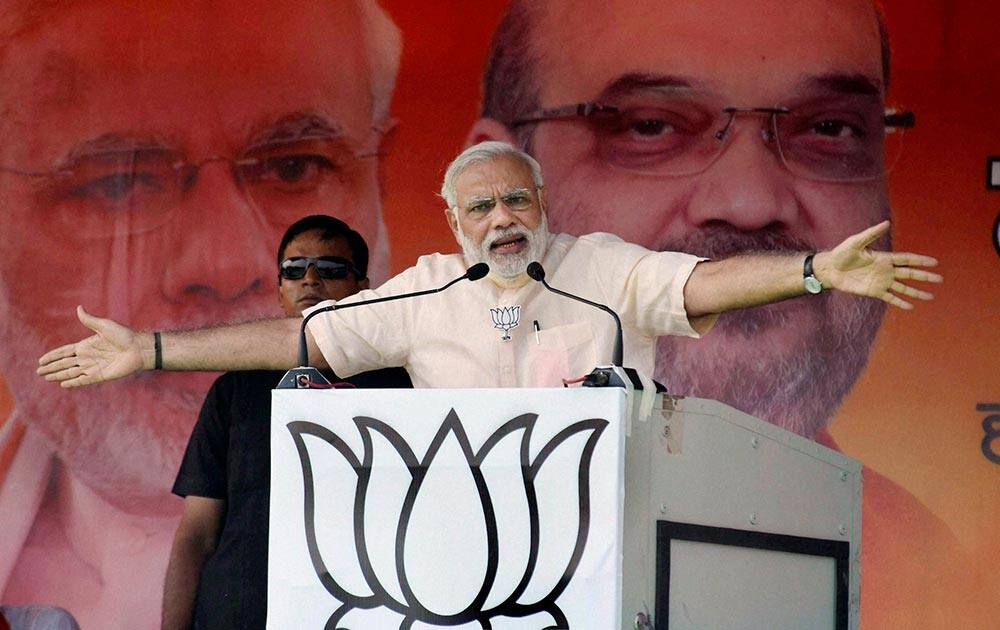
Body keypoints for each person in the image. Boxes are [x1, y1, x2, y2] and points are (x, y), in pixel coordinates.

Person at [464, 1, 990, 625]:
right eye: (651, 125)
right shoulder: (388, 513)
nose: (749, 203)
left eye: (830, 128)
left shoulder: (933, 582)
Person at [0, 1, 401, 627]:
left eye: (293, 166)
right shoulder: (235, 391)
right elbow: (197, 537)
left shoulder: (410, 385)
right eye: (116, 182)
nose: (219, 264)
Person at [38, 140, 938, 394]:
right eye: (483, 208)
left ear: (542, 209)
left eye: (517, 202)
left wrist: (816, 268)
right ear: (454, 221)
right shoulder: (427, 287)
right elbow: (302, 336)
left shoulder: (601, 265)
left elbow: (702, 285)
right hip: (466, 556)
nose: (503, 220)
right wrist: (147, 351)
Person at [161, 215, 411, 630]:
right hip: (240, 612)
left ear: (362, 288)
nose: (310, 280)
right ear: (279, 288)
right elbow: (197, 532)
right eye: (294, 270)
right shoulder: (234, 389)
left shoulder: (400, 382)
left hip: (366, 612)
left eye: (330, 269)